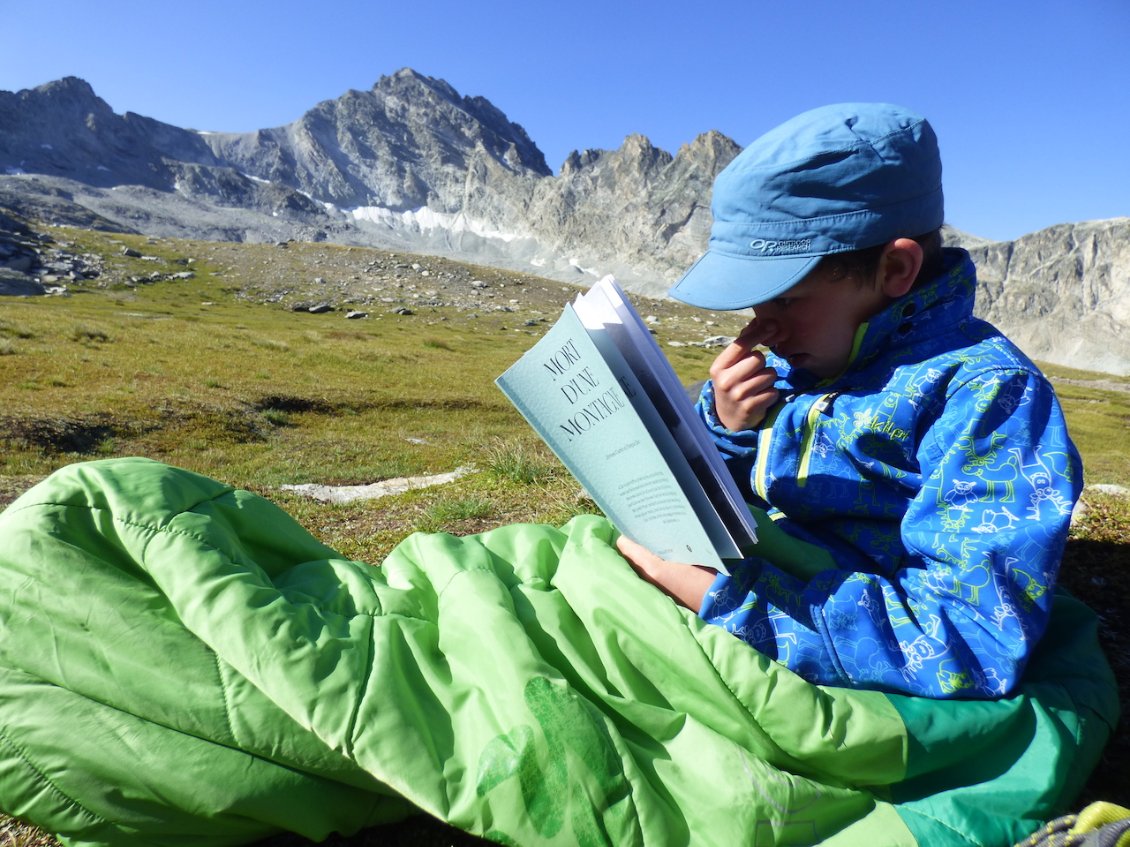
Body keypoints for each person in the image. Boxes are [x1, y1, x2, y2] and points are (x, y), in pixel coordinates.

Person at [617, 102, 1083, 699]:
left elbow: (970, 640)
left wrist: (728, 602)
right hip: (759, 574)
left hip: (816, 635)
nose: (762, 330)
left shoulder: (988, 397)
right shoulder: (808, 354)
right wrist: (725, 428)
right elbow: (731, 498)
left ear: (896, 267)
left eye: (784, 299)